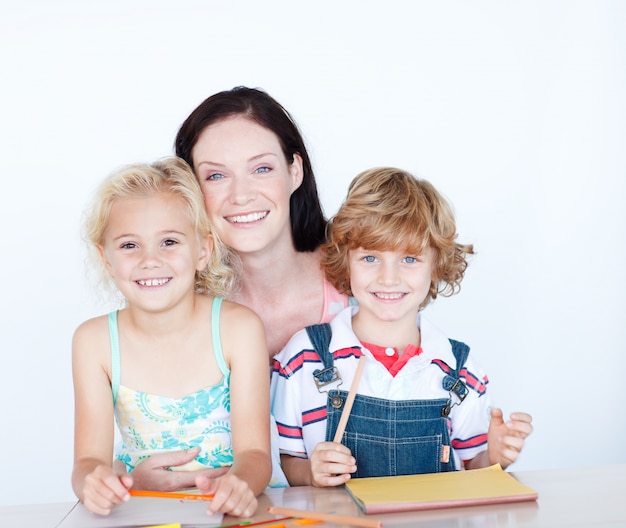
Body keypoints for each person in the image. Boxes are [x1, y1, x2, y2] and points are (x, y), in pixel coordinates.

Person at [127, 87, 350, 490]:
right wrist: (134, 479)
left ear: (294, 171)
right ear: (190, 190)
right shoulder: (171, 302)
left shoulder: (362, 282)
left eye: (261, 168)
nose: (241, 195)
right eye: (215, 175)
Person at [271, 167, 534, 487]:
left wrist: (494, 458)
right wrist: (312, 474)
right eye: (370, 258)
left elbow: (474, 471)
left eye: (409, 259)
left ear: (436, 265)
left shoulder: (460, 372)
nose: (389, 278)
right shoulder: (303, 358)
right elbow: (290, 462)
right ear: (346, 260)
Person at [71, 157, 271, 517]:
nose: (150, 260)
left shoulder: (238, 329)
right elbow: (87, 462)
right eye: (130, 245)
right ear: (106, 258)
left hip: (236, 514)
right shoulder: (94, 342)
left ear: (203, 251)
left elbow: (256, 455)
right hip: (147, 514)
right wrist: (94, 483)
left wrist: (239, 485)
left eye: (169, 242)